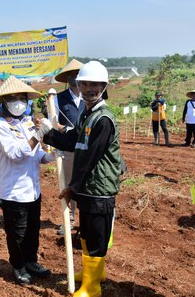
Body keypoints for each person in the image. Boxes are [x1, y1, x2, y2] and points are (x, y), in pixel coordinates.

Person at [44, 61, 122, 297]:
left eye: (94, 84)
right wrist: (48, 135)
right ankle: (91, 274)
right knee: (87, 233)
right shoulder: (86, 115)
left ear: (103, 86)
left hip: (99, 189)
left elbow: (89, 157)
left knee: (97, 236)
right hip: (88, 188)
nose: (89, 88)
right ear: (78, 85)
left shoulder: (103, 120)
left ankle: (92, 286)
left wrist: (71, 187)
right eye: (84, 83)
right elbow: (74, 143)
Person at [0, 76, 55, 285]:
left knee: (33, 230)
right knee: (17, 233)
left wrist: (54, 156)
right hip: (13, 191)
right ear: (4, 102)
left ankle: (31, 261)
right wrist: (40, 132)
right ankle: (18, 265)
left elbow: (36, 155)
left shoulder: (27, 122)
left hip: (32, 189)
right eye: (13, 98)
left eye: (22, 98)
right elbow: (16, 153)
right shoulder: (0, 126)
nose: (18, 102)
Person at [49, 59, 85, 235]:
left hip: (87, 149)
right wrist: (66, 128)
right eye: (72, 75)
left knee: (86, 183)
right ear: (68, 79)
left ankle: (85, 220)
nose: (75, 78)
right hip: (69, 149)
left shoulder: (89, 97)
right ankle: (69, 219)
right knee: (70, 183)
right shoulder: (59, 99)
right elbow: (54, 122)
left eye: (78, 75)